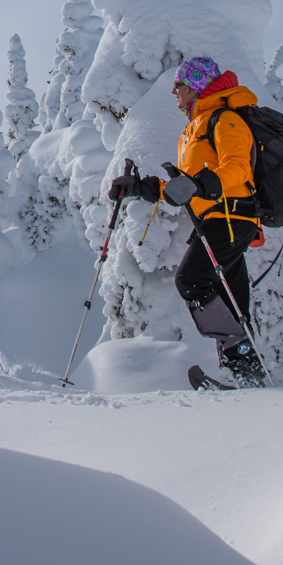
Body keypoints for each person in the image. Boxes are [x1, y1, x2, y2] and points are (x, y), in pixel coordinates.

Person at [109, 56, 267, 386]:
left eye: (179, 84)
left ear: (195, 85)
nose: (173, 90)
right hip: (214, 218)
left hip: (231, 214)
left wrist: (203, 184)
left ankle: (241, 362)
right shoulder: (195, 128)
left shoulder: (224, 120)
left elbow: (237, 167)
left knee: (191, 280)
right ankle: (246, 376)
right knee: (230, 299)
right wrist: (141, 188)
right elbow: (187, 188)